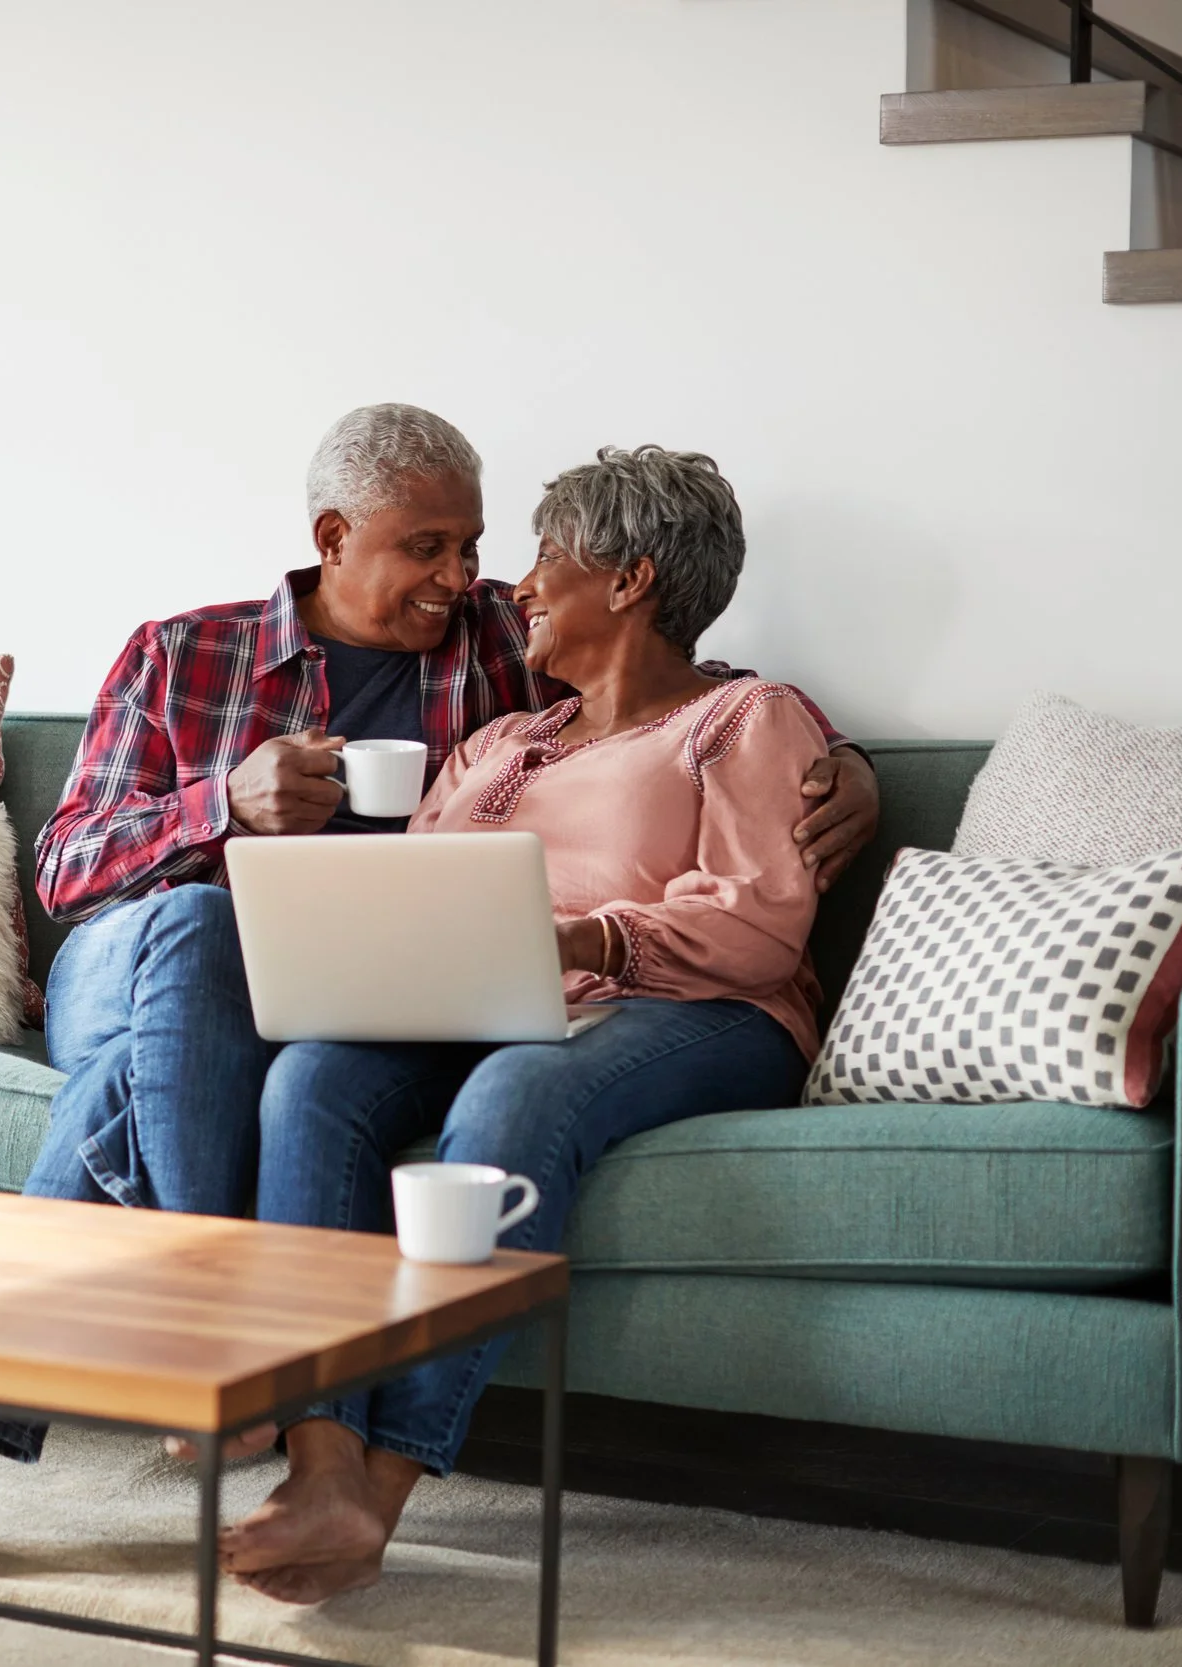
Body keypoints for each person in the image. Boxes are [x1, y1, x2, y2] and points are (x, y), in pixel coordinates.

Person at [0, 409, 877, 1587]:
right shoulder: (190, 652)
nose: (474, 578)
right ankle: (237, 1344)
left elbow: (713, 717)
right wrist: (220, 803)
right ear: (334, 536)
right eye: (428, 547)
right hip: (142, 954)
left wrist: (855, 776)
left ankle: (205, 1434)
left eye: (484, 547)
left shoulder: (512, 657)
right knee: (197, 923)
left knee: (266, 1072)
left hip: (534, 992)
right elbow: (65, 871)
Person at [218, 445, 832, 1603]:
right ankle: (322, 1455)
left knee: (516, 1094)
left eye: (547, 558)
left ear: (633, 577)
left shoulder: (747, 718)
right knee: (313, 1076)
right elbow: (415, 900)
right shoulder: (500, 742)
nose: (518, 586)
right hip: (484, 997)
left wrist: (584, 940)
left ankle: (383, 1489)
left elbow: (760, 928)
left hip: (694, 1007)